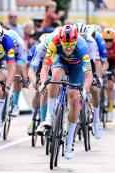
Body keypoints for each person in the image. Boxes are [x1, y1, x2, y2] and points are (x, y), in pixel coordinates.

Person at [40, 25, 93, 159]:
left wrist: (85, 90)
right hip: (61, 62)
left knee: (75, 99)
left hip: (77, 68)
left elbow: (88, 75)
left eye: (71, 46)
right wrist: (43, 83)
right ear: (60, 41)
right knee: (55, 75)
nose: (68, 48)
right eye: (65, 45)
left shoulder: (82, 47)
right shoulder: (54, 42)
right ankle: (49, 117)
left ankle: (69, 142)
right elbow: (45, 67)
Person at [75, 23, 103, 139]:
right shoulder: (69, 40)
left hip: (87, 63)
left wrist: (97, 77)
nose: (82, 39)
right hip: (74, 63)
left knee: (94, 89)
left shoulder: (91, 42)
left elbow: (95, 62)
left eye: (84, 37)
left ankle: (96, 120)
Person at [102, 28, 115, 122]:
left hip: (113, 63)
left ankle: (110, 110)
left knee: (110, 86)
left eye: (110, 40)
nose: (108, 43)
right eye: (106, 40)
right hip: (103, 61)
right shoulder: (101, 44)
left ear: (113, 40)